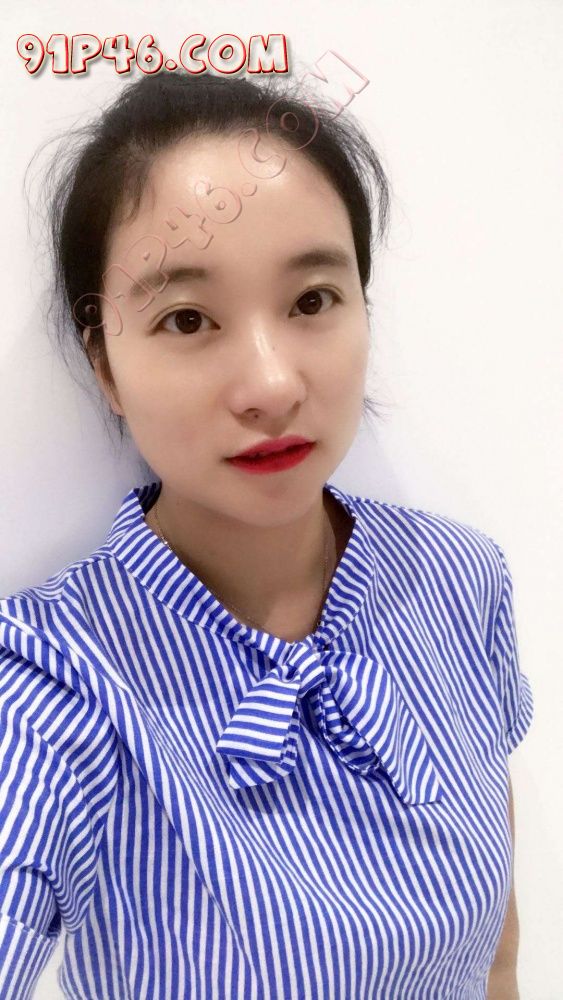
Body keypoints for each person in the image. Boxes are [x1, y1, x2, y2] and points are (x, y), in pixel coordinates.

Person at [0, 70, 533, 1000]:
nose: (272, 385)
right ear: (107, 368)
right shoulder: (52, 682)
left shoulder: (457, 578)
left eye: (312, 301)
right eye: (187, 319)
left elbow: (496, 953)